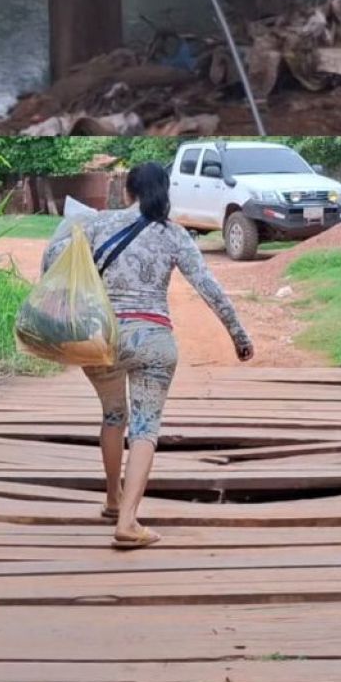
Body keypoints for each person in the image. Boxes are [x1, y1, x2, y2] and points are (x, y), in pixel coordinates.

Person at [41, 162, 253, 550]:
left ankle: (111, 499)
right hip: (152, 341)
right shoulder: (174, 235)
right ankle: (127, 522)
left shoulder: (94, 224)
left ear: (127, 192)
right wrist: (238, 335)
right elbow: (208, 286)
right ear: (164, 192)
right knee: (144, 428)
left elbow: (50, 263)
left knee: (112, 415)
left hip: (100, 339)